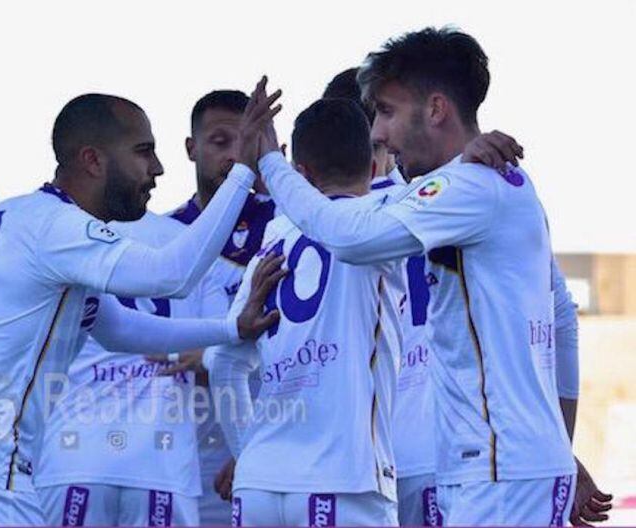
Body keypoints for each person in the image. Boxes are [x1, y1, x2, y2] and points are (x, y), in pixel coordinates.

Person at [0, 82, 286, 526]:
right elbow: (175, 275)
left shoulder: (21, 212)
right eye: (143, 151)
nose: (159, 168)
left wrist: (230, 329)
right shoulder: (61, 229)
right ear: (93, 160)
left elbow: (119, 330)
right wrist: (243, 171)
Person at [252, 27, 609, 525]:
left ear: (436, 109)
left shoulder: (474, 186)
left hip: (499, 472)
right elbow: (373, 211)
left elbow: (351, 235)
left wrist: (270, 161)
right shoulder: (463, 182)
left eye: (387, 112)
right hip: (480, 465)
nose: (376, 132)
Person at [211, 98, 402, 526]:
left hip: (259, 485)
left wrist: (247, 454)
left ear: (299, 175)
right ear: (373, 169)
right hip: (344, 479)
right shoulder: (383, 216)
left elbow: (222, 361)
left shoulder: (273, 241)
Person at [33, 210, 226, 526]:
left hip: (72, 459)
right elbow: (224, 358)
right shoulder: (195, 246)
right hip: (160, 465)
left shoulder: (63, 237)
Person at [167, 90, 275, 525]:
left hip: (269, 437)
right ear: (191, 148)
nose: (233, 155)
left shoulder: (286, 223)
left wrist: (253, 444)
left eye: (243, 141)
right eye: (219, 141)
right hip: (183, 447)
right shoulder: (163, 234)